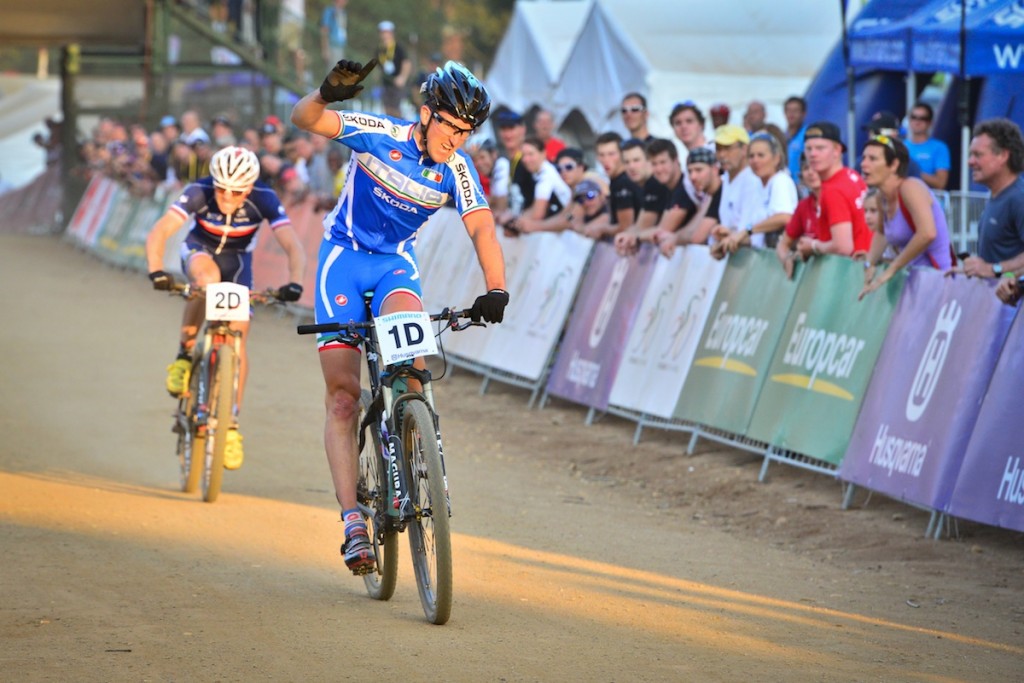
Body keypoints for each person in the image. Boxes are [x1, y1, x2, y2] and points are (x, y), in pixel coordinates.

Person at [290, 58, 508, 574]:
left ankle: (413, 440)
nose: (457, 139)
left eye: (467, 131)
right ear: (427, 113)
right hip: (343, 262)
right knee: (343, 398)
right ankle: (352, 522)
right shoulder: (378, 134)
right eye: (451, 126)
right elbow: (305, 119)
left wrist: (496, 289)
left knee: (412, 364)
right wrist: (324, 94)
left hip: (394, 268)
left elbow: (482, 230)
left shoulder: (457, 169)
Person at [145, 146, 307, 470]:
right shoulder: (198, 191)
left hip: (238, 264)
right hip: (200, 251)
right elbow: (161, 230)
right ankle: (183, 354)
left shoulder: (264, 197)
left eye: (236, 191)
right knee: (207, 280)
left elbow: (292, 243)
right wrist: (156, 269)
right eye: (221, 188)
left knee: (239, 336)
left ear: (249, 188)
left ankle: (230, 424)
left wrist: (295, 281)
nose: (227, 196)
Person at [858, 134, 953, 299]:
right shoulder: (881, 197)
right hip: (911, 284)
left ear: (894, 165)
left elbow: (927, 233)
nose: (863, 164)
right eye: (864, 157)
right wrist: (869, 263)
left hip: (936, 284)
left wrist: (892, 269)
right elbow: (881, 233)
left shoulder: (910, 187)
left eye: (873, 159)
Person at [713, 131, 798, 255]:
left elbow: (784, 217)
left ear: (776, 158)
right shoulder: (758, 186)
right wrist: (730, 238)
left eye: (761, 155)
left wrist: (746, 231)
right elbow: (757, 238)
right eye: (751, 156)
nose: (755, 160)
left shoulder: (780, 180)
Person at [797, 121, 870, 260]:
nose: (813, 154)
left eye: (820, 148)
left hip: (850, 271)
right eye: (808, 148)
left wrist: (812, 246)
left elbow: (843, 247)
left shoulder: (833, 190)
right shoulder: (852, 175)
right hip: (864, 264)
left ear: (837, 150)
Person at [962, 118, 1024, 280]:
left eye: (978, 155)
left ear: (1003, 155)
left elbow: (993, 268)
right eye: (970, 155)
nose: (970, 162)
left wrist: (994, 269)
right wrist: (971, 270)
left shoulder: (1019, 198)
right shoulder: (998, 195)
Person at [509, 137, 572, 233]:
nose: (526, 159)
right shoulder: (538, 173)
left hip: (568, 226)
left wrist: (515, 224)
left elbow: (537, 214)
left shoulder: (546, 174)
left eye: (530, 154)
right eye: (523, 155)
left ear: (543, 154)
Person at [775, 155, 822, 278]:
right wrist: (787, 258)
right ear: (801, 175)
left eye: (815, 166)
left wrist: (812, 247)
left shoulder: (836, 199)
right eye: (806, 168)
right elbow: (782, 244)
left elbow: (842, 246)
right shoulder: (804, 206)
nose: (811, 172)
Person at [594, 131, 641, 231]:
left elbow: (625, 227)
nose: (606, 160)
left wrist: (600, 229)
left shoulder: (623, 182)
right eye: (601, 155)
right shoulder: (616, 181)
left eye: (611, 154)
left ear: (622, 154)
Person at [904, 102, 950, 191]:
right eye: (914, 117)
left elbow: (940, 183)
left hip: (930, 200)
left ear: (930, 122)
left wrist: (913, 172)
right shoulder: (901, 146)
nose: (917, 121)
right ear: (909, 120)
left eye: (923, 118)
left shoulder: (940, 148)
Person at [376, 21, 411, 118]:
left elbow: (407, 63)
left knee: (396, 109)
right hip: (386, 83)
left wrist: (402, 78)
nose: (385, 35)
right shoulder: (380, 49)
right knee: (387, 109)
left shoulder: (398, 47)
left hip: (397, 84)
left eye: (387, 33)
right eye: (383, 33)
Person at [784, 96, 808, 183]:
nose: (791, 114)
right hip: (785, 182)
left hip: (802, 185)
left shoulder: (808, 135)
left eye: (795, 111)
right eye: (788, 110)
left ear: (803, 114)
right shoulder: (782, 136)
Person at [320, 0, 348, 67]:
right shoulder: (330, 12)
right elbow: (324, 30)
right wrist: (325, 49)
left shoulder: (344, 13)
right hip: (332, 46)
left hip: (341, 47)